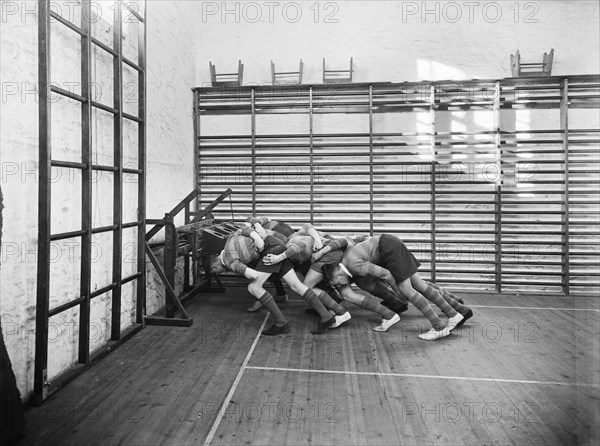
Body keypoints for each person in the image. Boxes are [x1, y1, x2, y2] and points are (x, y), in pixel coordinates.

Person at [322, 234, 473, 340]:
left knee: (407, 290)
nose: (339, 286)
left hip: (389, 248)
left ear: (339, 274)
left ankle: (439, 327)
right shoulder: (347, 261)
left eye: (336, 283)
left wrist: (398, 293)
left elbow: (386, 274)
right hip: (390, 243)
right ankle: (453, 314)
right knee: (419, 284)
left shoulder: (354, 267)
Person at [210, 227, 345, 335]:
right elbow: (244, 229)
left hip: (271, 251)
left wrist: (255, 273)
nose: (217, 273)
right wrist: (256, 237)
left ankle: (281, 323)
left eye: (215, 271)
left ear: (214, 265)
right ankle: (327, 317)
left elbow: (251, 273)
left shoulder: (228, 260)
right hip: (276, 245)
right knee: (296, 285)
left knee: (254, 288)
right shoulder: (230, 239)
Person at [262, 224, 352, 328]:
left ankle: (341, 312)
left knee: (306, 287)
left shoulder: (289, 242)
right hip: (330, 253)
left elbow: (300, 244)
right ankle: (327, 305)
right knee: (306, 281)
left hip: (329, 254)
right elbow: (308, 226)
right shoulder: (294, 235)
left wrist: (278, 258)